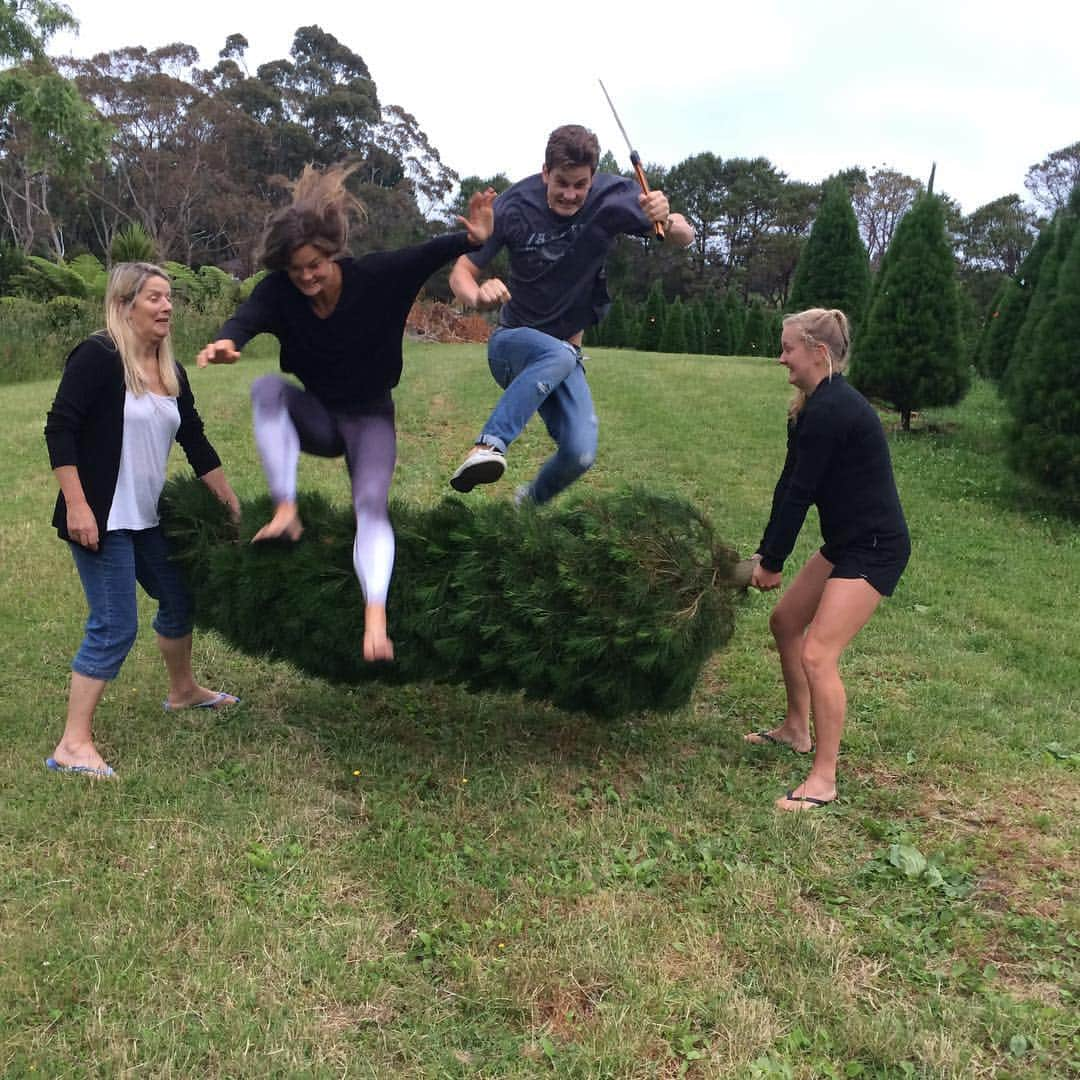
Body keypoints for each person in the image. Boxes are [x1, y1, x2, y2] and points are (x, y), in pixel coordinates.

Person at [197, 164, 496, 663]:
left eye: (314, 264)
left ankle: (374, 619)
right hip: (317, 414)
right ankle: (285, 511)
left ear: (330, 252)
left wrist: (473, 241)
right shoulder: (280, 291)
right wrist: (228, 341)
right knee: (268, 389)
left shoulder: (375, 277)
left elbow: (425, 254)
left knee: (370, 505)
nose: (307, 277)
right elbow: (245, 318)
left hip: (370, 419)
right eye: (296, 270)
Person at [44, 262, 242, 778]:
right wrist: (79, 506)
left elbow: (194, 440)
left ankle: (182, 692)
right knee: (114, 626)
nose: (167, 306)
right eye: (154, 297)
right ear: (125, 305)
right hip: (102, 519)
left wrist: (228, 499)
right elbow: (60, 429)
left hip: (148, 518)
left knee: (179, 599)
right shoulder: (98, 357)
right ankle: (72, 743)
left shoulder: (170, 369)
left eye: (169, 296)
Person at [447, 124, 694, 504]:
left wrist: (668, 217)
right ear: (545, 172)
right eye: (561, 182)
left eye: (580, 185)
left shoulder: (613, 197)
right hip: (512, 344)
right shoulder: (514, 206)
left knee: (580, 452)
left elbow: (683, 236)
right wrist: (477, 297)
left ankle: (523, 507)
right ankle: (487, 446)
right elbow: (461, 272)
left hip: (565, 356)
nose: (570, 194)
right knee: (558, 351)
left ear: (593, 178)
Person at [747, 308, 910, 811]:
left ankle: (823, 780)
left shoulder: (836, 409)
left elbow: (802, 494)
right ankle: (797, 729)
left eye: (788, 348)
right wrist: (765, 552)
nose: (781, 358)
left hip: (876, 546)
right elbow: (788, 485)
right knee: (785, 622)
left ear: (818, 352)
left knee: (819, 653)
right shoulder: (810, 408)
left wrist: (772, 562)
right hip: (846, 541)